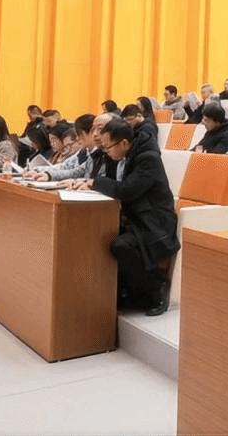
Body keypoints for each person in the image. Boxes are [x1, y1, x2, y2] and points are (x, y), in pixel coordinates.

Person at [78, 119, 179, 316]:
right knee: (97, 236)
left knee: (121, 245)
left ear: (124, 143)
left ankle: (156, 285)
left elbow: (127, 190)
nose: (106, 151)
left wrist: (95, 183)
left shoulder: (148, 158)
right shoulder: (124, 155)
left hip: (153, 222)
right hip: (135, 218)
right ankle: (127, 291)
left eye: (108, 147)